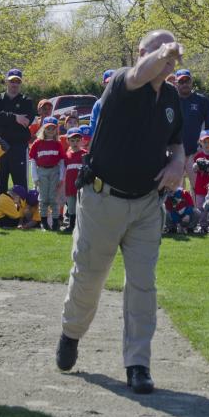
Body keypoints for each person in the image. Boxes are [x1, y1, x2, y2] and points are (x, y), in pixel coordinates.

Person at [57, 29, 185, 395]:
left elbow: (177, 142)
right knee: (89, 278)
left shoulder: (173, 97)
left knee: (143, 284)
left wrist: (177, 163)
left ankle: (138, 363)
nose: (167, 59)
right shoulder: (121, 83)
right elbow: (139, 74)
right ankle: (71, 332)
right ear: (141, 53)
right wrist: (164, 53)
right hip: (103, 199)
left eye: (171, 54)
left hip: (146, 203)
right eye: (158, 52)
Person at [0, 69, 34, 194]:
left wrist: (4, 120)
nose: (14, 84)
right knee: (0, 185)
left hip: (18, 148)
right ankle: (0, 213)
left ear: (20, 83)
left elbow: (26, 121)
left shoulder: (26, 101)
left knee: (20, 185)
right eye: (12, 81)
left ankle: (21, 213)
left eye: (17, 81)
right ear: (6, 82)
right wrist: (16, 118)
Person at [175, 68, 209, 189]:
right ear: (176, 83)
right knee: (175, 190)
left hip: (196, 152)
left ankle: (198, 208)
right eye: (181, 82)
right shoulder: (170, 99)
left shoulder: (201, 100)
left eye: (187, 81)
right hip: (175, 152)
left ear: (191, 81)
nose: (184, 84)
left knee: (199, 188)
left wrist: (205, 147)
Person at [29, 116, 65, 230]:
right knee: (43, 198)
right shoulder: (37, 143)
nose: (50, 131)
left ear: (56, 130)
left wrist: (61, 176)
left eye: (53, 129)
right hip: (42, 171)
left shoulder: (58, 143)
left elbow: (61, 161)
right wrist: (34, 176)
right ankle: (43, 222)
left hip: (54, 171)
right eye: (48, 128)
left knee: (53, 198)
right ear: (43, 129)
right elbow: (33, 160)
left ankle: (55, 222)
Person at [192, 130, 209, 233]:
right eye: (205, 142)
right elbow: (194, 169)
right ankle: (202, 225)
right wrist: (196, 166)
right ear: (200, 142)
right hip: (200, 186)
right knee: (200, 207)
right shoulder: (198, 156)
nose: (207, 144)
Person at [62, 127, 87, 233]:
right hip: (70, 187)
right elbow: (63, 172)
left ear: (82, 141)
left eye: (77, 140)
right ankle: (71, 226)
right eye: (72, 140)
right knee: (71, 208)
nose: (75, 143)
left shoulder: (85, 154)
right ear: (68, 141)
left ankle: (82, 227)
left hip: (82, 188)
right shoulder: (66, 156)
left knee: (82, 208)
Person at [89, 69, 115, 135]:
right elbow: (93, 126)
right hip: (103, 140)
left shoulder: (124, 102)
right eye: (108, 83)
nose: (111, 85)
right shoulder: (98, 104)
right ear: (103, 84)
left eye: (114, 82)